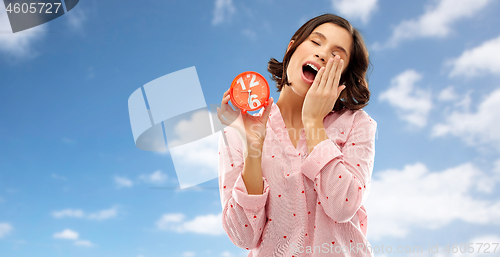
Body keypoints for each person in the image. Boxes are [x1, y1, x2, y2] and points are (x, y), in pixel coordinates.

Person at [216, 13, 377, 257]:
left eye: (336, 56)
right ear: (291, 48)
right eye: (316, 42)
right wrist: (253, 148)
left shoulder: (357, 124)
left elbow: (342, 205)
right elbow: (243, 236)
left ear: (342, 77)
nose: (323, 54)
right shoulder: (238, 131)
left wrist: (313, 122)